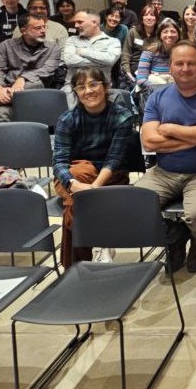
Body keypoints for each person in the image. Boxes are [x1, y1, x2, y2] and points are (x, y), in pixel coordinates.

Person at [136, 41, 196, 273]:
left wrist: (170, 129)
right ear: (170, 67)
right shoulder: (157, 97)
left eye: (191, 63)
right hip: (164, 171)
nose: (185, 68)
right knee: (134, 205)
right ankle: (174, 235)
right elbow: (149, 141)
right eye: (180, 63)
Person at [52, 68, 133, 268]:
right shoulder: (67, 120)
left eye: (93, 84)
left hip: (111, 178)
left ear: (105, 87)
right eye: (81, 87)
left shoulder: (122, 117)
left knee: (74, 205)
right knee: (80, 171)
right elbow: (59, 162)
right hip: (73, 179)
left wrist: (93, 189)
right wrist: (72, 183)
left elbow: (114, 159)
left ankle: (77, 266)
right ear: (76, 92)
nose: (88, 91)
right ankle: (100, 242)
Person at [0, 13, 61, 125]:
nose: (43, 31)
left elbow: (47, 70)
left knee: (35, 83)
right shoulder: (6, 45)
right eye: (38, 28)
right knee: (1, 112)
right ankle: (4, 140)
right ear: (24, 31)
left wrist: (22, 79)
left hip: (38, 92)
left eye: (44, 27)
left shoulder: (53, 48)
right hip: (8, 94)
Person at [61, 10, 121, 107]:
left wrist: (83, 52)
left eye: (80, 22)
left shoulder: (113, 42)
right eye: (75, 22)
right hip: (73, 89)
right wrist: (101, 61)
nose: (76, 25)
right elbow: (69, 61)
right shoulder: (71, 40)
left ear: (94, 23)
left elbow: (110, 60)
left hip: (102, 89)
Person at [135, 18, 180, 88]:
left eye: (173, 31)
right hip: (154, 91)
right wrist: (160, 88)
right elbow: (141, 79)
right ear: (160, 35)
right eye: (165, 32)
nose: (169, 35)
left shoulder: (183, 53)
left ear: (178, 35)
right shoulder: (149, 52)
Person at [121, 5, 158, 88]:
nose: (149, 18)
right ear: (141, 18)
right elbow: (126, 54)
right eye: (145, 15)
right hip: (136, 67)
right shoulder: (133, 32)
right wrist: (128, 73)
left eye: (152, 15)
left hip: (155, 66)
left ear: (156, 18)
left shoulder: (161, 32)